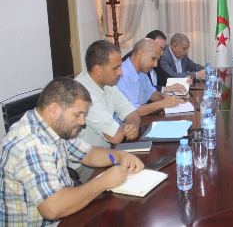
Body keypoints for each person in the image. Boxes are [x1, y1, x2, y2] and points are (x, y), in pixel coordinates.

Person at [0, 78, 144, 226]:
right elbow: (52, 208)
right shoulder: (31, 145)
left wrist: (121, 155)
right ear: (54, 109)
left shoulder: (54, 126)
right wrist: (103, 181)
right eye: (77, 114)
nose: (82, 121)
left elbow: (89, 154)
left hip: (62, 214)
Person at [72, 40, 141, 181]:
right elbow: (115, 136)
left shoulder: (107, 83)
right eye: (116, 68)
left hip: (105, 153)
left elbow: (132, 112)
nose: (120, 72)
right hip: (84, 166)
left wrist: (133, 126)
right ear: (98, 69)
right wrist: (125, 128)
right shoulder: (82, 92)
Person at [118, 38, 186, 116]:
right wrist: (162, 103)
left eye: (157, 60)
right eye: (153, 59)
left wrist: (164, 96)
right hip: (124, 126)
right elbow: (133, 110)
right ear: (141, 54)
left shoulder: (141, 71)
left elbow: (150, 93)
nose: (155, 65)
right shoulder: (122, 76)